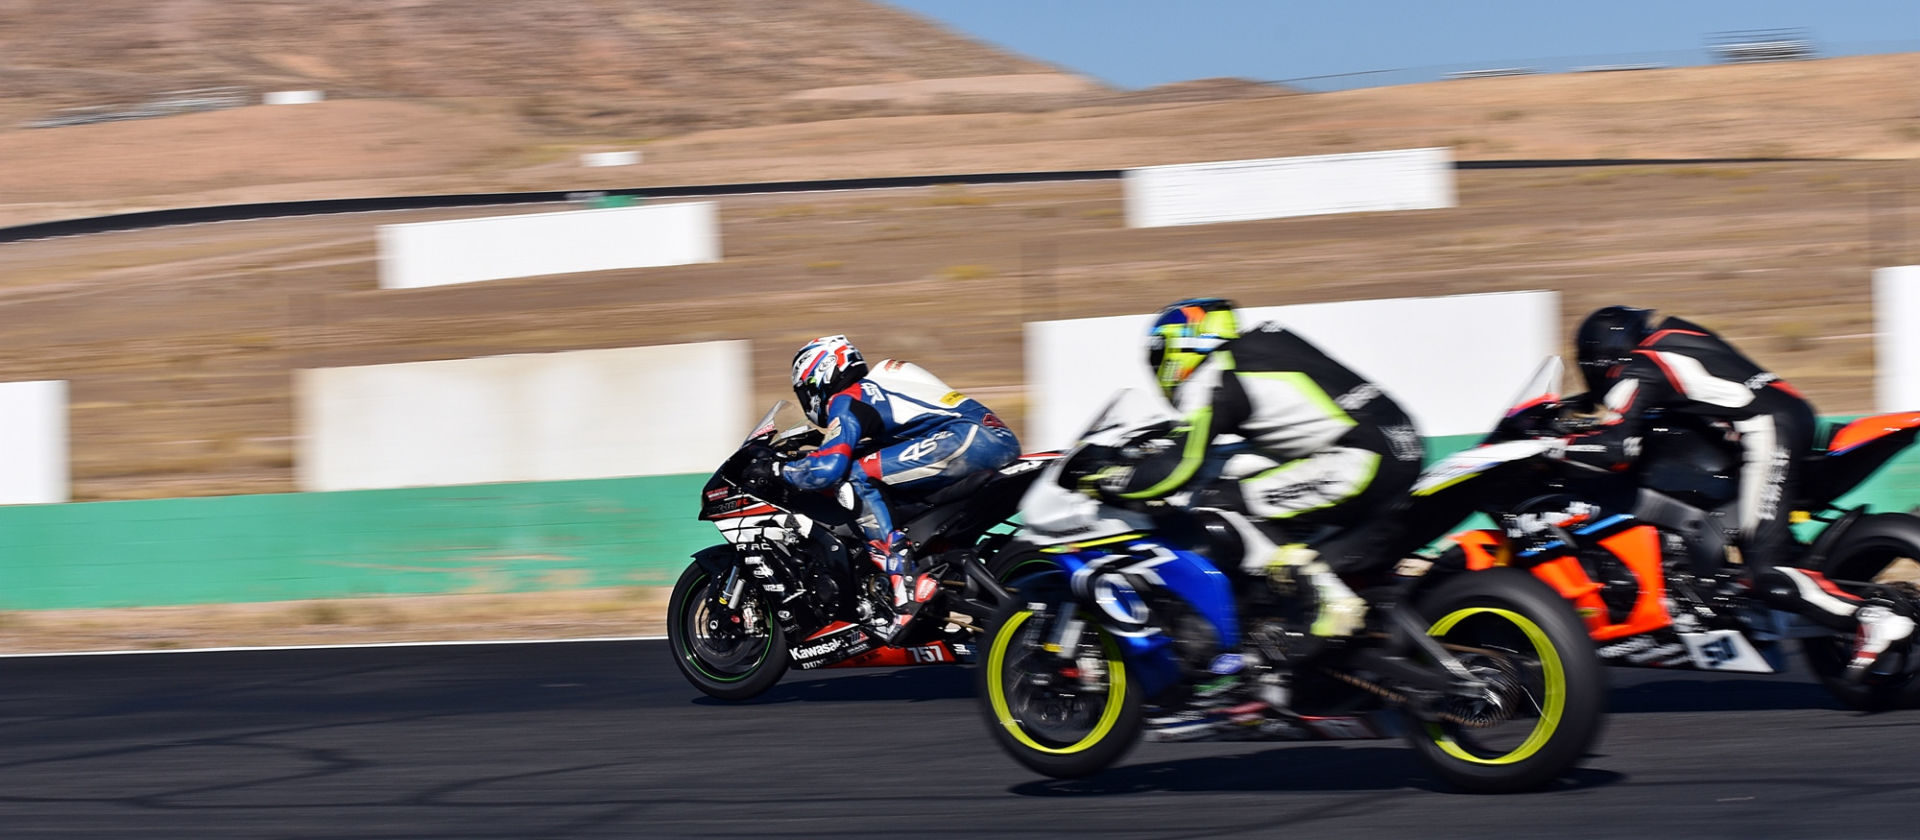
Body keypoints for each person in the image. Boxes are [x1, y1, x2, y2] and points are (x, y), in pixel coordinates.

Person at [1566, 305, 1915, 680]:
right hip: (1783, 417)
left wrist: (1558, 445)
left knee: (1766, 573)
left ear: (1600, 359)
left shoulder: (1637, 367)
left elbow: (1619, 446)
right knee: (1761, 551)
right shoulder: (1677, 336)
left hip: (1765, 429)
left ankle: (1871, 618)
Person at [1086, 298, 1426, 639]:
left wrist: (1107, 480)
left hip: (1359, 461)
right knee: (1247, 471)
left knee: (1221, 499)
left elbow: (1176, 468)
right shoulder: (1267, 343)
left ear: (1183, 342)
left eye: (1159, 356)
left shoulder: (1212, 374)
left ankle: (1327, 600)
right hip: (1402, 445)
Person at [762, 334, 1020, 643]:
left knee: (854, 476)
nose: (808, 401)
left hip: (968, 439)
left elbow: (828, 469)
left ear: (820, 376)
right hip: (990, 437)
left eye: (805, 391)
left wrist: (779, 469)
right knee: (872, 470)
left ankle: (903, 585)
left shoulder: (847, 398)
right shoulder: (879, 388)